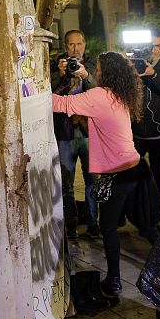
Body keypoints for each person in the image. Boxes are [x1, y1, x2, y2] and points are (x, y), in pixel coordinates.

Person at [52, 52, 160, 298]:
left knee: (108, 226)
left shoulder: (99, 96)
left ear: (106, 73)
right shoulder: (120, 94)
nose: (96, 71)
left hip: (120, 173)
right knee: (145, 225)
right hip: (136, 167)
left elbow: (57, 104)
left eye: (98, 68)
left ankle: (114, 281)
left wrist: (35, 88)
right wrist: (80, 78)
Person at [51, 30, 95, 240]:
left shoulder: (93, 66)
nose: (75, 48)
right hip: (65, 132)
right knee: (66, 182)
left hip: (87, 131)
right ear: (65, 46)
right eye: (71, 44)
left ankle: (94, 223)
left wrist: (86, 76)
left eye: (79, 43)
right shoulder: (57, 66)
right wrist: (60, 75)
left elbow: (100, 91)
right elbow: (47, 93)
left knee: (92, 180)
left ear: (84, 44)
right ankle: (71, 225)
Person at [131, 29, 160, 195]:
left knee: (157, 174)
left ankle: (155, 213)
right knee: (132, 173)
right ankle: (135, 208)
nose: (153, 49)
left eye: (158, 46)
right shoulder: (135, 63)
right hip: (137, 131)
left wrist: (154, 74)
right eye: (151, 45)